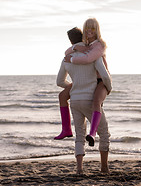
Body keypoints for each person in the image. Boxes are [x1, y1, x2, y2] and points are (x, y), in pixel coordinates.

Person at [56, 27, 112, 174]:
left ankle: (79, 169)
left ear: (70, 41)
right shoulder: (93, 55)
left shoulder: (67, 58)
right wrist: (108, 87)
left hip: (75, 100)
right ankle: (104, 168)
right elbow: (105, 76)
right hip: (90, 99)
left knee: (79, 136)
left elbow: (59, 81)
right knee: (104, 134)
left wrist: (74, 85)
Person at [62, 18, 109, 147]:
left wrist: (71, 59)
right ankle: (66, 129)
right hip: (92, 81)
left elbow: (88, 59)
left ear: (97, 30)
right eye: (87, 28)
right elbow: (66, 53)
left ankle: (93, 133)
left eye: (92, 28)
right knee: (62, 96)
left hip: (101, 81)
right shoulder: (86, 45)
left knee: (96, 102)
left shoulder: (99, 45)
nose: (89, 31)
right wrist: (75, 47)